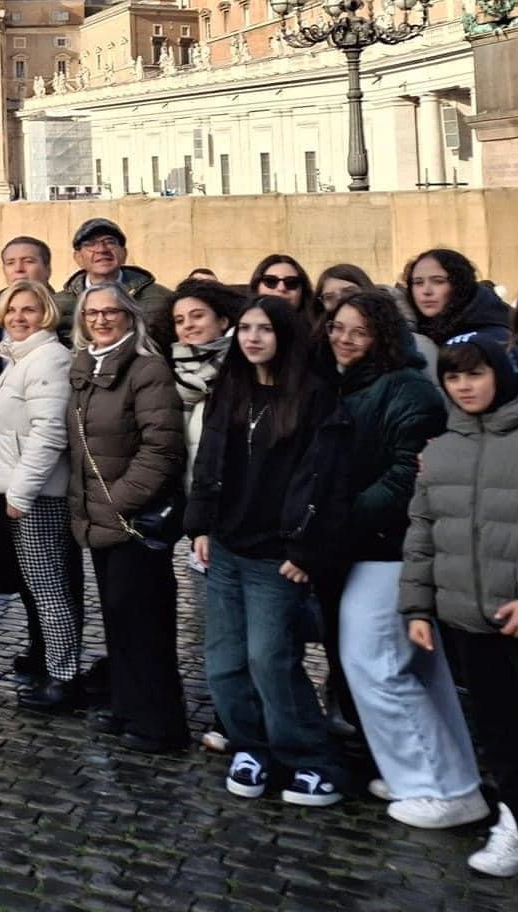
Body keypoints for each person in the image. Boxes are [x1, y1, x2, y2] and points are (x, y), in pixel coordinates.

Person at [318, 289, 486, 828]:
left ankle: (439, 786)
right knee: (415, 669)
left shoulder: (408, 389)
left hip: (391, 547)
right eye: (338, 327)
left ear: (383, 337)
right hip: (368, 543)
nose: (344, 339)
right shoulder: (345, 382)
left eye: (359, 331)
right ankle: (431, 774)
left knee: (375, 664)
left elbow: (402, 479)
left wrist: (338, 524)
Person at [188, 297, 352, 807]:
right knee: (223, 664)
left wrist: (305, 547)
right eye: (245, 328)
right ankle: (251, 747)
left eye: (264, 329)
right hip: (226, 547)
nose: (252, 338)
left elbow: (325, 478)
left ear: (285, 335)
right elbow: (209, 459)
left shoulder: (313, 395)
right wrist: (200, 525)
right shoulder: (230, 387)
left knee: (270, 660)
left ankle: (309, 760)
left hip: (275, 555)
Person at [402, 333, 518, 877]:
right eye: (453, 376)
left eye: (475, 373)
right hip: (469, 618)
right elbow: (423, 534)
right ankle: (513, 821)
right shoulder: (441, 449)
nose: (464, 386)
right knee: (498, 729)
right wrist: (417, 608)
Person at [66, 283, 187, 753]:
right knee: (119, 617)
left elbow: (162, 447)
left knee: (146, 623)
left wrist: (119, 501)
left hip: (132, 517)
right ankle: (128, 706)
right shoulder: (86, 365)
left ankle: (159, 722)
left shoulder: (147, 368)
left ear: (129, 316)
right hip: (101, 517)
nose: (100, 319)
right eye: (91, 313)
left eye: (110, 312)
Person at [0, 279, 80, 710]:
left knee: (48, 587)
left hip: (37, 495)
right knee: (40, 584)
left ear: (47, 315)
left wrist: (20, 492)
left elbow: (49, 432)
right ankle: (52, 666)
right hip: (24, 490)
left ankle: (64, 678)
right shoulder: (20, 357)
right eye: (12, 309)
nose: (19, 317)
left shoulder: (48, 359)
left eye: (29, 310)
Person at [169, 278, 246, 471]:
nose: (187, 325)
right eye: (179, 321)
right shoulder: (171, 375)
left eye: (197, 316)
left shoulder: (245, 368)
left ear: (223, 321)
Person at [59, 218, 173, 347]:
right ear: (78, 257)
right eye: (90, 244)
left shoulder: (161, 299)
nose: (102, 249)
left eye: (110, 242)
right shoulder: (57, 306)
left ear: (124, 253)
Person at [404, 248, 512, 350]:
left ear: (460, 285)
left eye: (438, 281)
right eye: (418, 282)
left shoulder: (495, 337)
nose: (426, 291)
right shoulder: (410, 333)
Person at [0, 237, 54, 342]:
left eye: (28, 261)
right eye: (10, 263)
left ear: (48, 269)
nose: (18, 269)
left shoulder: (67, 310)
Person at [247, 253, 317, 323]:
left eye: (291, 282)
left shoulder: (319, 328)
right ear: (256, 287)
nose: (281, 288)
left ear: (303, 290)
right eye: (270, 281)